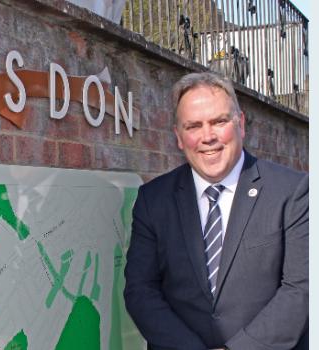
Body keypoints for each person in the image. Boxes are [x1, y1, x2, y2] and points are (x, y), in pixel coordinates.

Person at [123, 72, 308, 350]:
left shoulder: (292, 191)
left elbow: (301, 289)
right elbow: (141, 290)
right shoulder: (154, 199)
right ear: (179, 136)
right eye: (193, 126)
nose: (207, 137)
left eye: (219, 121)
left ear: (241, 124)